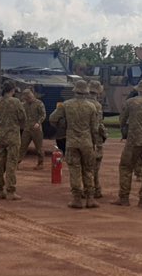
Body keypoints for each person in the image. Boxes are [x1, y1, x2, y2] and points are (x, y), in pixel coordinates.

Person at [49, 80, 100, 208]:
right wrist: (95, 143)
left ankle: (77, 199)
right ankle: (90, 198)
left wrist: (63, 126)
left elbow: (52, 119)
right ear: (86, 91)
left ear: (75, 90)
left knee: (75, 170)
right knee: (88, 170)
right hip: (87, 142)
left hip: (71, 142)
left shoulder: (66, 105)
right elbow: (95, 128)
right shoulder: (91, 106)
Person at [114, 79, 142, 207]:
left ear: (138, 89)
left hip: (134, 139)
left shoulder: (130, 102)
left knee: (126, 167)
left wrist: (124, 128)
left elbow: (122, 119)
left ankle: (124, 197)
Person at [0, 81, 27, 200]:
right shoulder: (16, 102)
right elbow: (22, 117)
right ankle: (10, 191)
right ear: (12, 90)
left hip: (0, 135)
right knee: (11, 163)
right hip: (13, 135)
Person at [87, 80, 108, 197]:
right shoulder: (97, 105)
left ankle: (86, 188)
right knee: (95, 166)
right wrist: (104, 134)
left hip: (82, 137)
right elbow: (98, 124)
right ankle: (96, 189)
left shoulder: (82, 102)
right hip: (95, 139)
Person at [19, 88, 46, 168]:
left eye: (30, 97)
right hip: (27, 128)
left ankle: (40, 163)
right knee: (22, 146)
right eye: (27, 98)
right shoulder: (24, 105)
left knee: (39, 147)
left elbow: (43, 115)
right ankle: (17, 162)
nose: (29, 99)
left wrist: (38, 122)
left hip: (36, 129)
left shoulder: (39, 103)